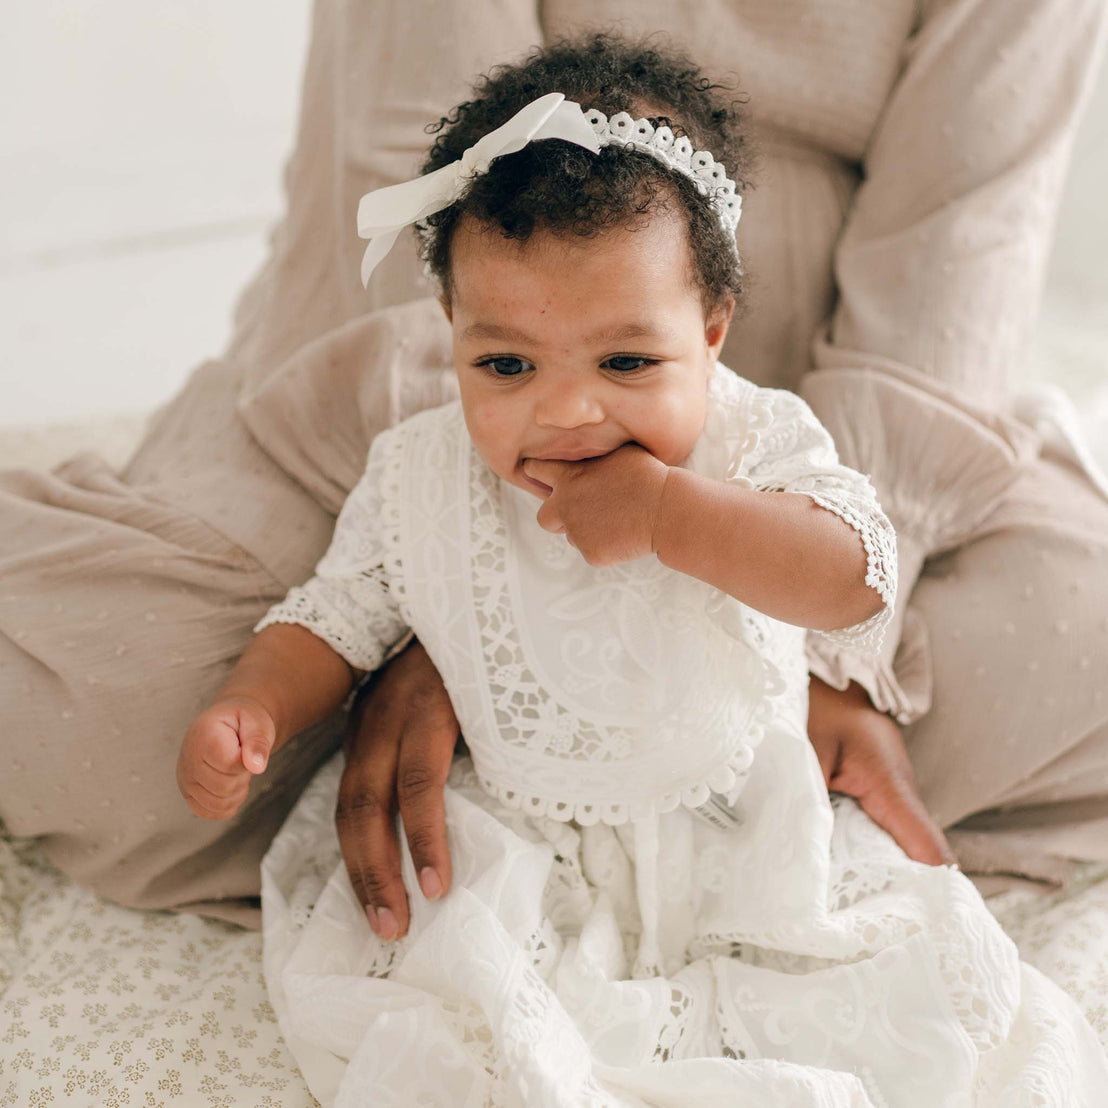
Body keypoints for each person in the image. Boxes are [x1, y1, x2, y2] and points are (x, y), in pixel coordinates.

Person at [2, 0, 1106, 937]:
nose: (584, 407)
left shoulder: (763, 421)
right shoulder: (440, 404)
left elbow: (961, 258)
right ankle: (553, 806)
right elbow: (423, 204)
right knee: (114, 711)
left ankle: (666, 796)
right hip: (424, 392)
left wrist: (812, 643)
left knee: (1070, 654)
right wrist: (468, 607)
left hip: (817, 433)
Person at [215, 39, 1102, 1103]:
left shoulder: (752, 442)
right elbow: (336, 612)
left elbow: (853, 575)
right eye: (505, 365)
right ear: (449, 334)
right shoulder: (419, 469)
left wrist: (679, 514)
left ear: (713, 332)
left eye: (626, 362)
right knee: (480, 1031)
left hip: (739, 830)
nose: (567, 410)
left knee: (883, 1014)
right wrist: (252, 707)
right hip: (531, 841)